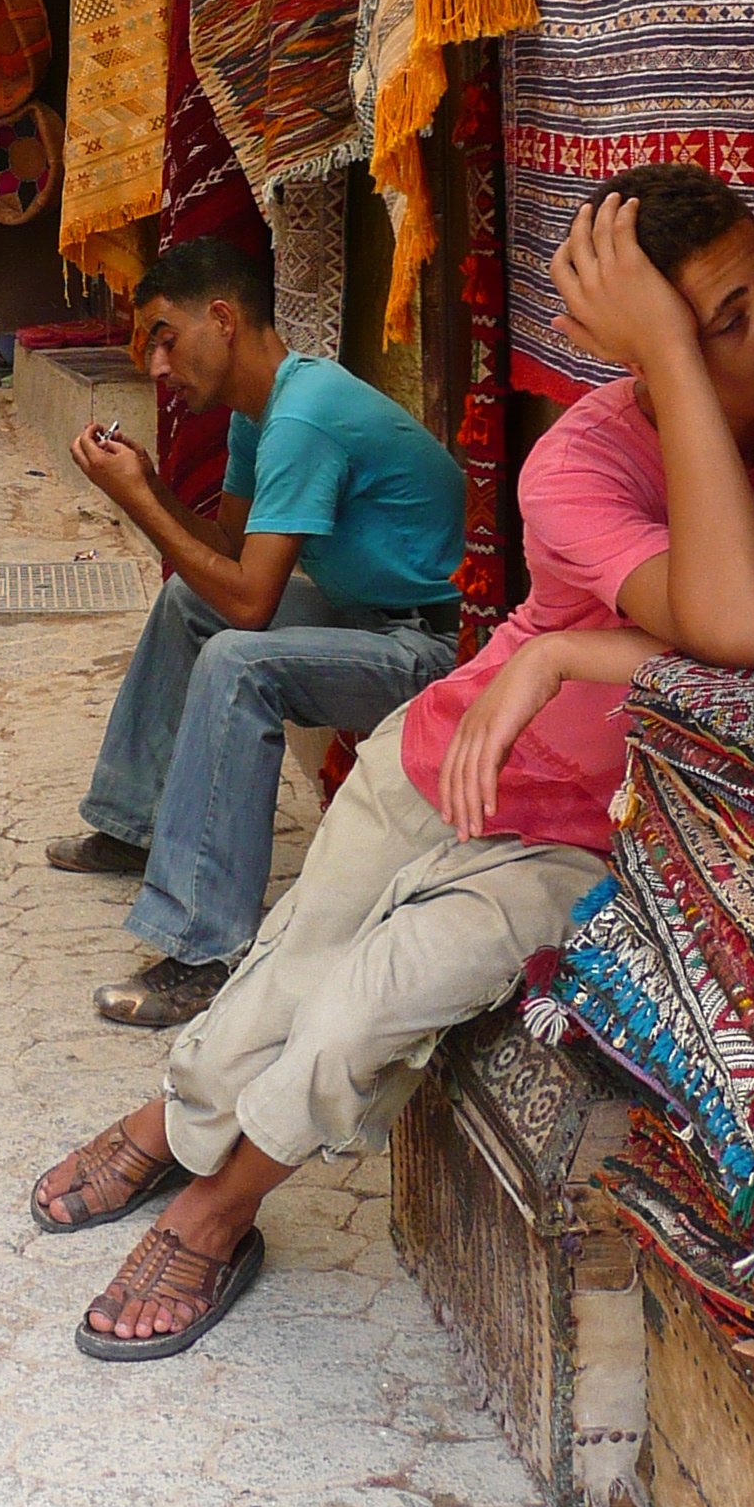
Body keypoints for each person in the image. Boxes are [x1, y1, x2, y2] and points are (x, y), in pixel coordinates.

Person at [30, 165, 754, 1361]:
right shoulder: (576, 466)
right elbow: (740, 622)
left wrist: (561, 658)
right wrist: (661, 367)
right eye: (726, 319)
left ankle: (217, 1204)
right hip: (438, 756)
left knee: (360, 1008)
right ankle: (171, 1119)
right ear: (640, 351)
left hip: (573, 830)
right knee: (288, 971)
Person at [58, 234, 464, 1029]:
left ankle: (203, 950)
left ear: (222, 318)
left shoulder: (304, 418)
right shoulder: (265, 411)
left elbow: (250, 605)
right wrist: (151, 487)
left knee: (238, 661)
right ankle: (134, 823)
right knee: (187, 608)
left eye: (166, 339)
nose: (158, 369)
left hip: (443, 652)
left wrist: (137, 503)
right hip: (371, 617)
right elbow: (227, 559)